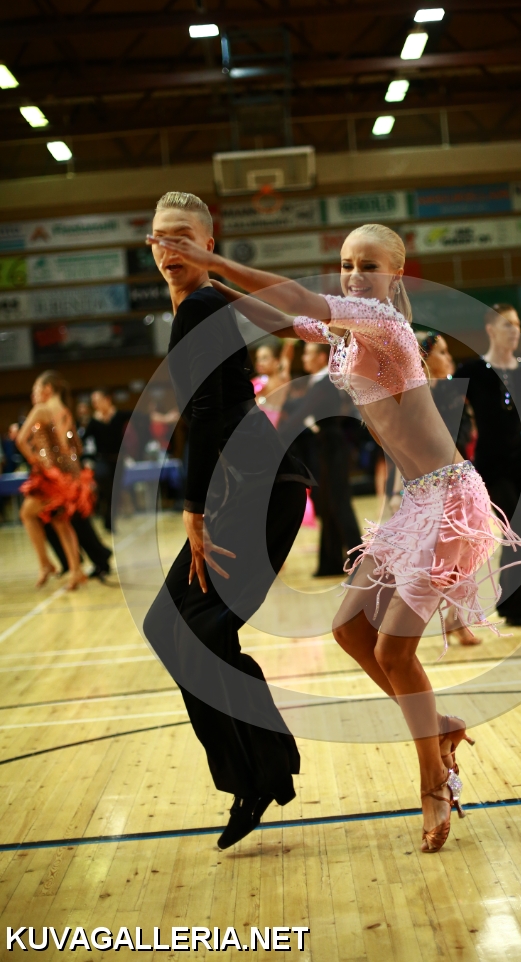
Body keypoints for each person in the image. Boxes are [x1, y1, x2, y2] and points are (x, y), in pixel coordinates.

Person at [148, 218, 521, 855]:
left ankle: (434, 779)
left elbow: (299, 298)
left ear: (395, 273)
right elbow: (283, 317)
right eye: (347, 264)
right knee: (350, 629)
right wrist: (213, 289)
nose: (354, 275)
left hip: (450, 500)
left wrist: (215, 264)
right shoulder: (347, 332)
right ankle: (440, 725)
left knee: (395, 653)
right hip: (417, 500)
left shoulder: (382, 322)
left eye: (368, 266)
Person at [143, 192, 308, 852]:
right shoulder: (198, 306)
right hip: (245, 488)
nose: (170, 249)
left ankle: (261, 772)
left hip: (258, 490)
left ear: (208, 245)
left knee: (196, 631)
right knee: (171, 627)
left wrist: (192, 511)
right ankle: (264, 766)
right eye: (160, 238)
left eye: (183, 237)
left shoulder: (203, 306)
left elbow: (210, 414)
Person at [456, 304, 521, 628]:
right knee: (519, 533)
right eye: (507, 324)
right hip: (490, 468)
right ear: (490, 329)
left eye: (517, 324)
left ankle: (511, 601)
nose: (515, 330)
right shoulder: (472, 371)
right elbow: (444, 403)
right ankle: (515, 607)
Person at [418, 332, 481, 647]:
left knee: (463, 555)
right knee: (434, 560)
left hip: (458, 485)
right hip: (429, 487)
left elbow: (465, 437)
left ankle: (456, 617)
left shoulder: (453, 392)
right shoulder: (417, 397)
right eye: (441, 352)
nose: (449, 358)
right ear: (425, 359)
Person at [279, 341, 362, 577]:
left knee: (339, 503)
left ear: (321, 357)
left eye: (308, 354)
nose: (304, 358)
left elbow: (301, 412)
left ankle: (360, 560)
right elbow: (297, 406)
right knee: (327, 504)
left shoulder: (325, 382)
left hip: (334, 447)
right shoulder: (318, 383)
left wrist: (277, 434)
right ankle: (331, 563)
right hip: (327, 447)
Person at [15, 371, 94, 590]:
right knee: (61, 522)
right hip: (71, 476)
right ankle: (76, 571)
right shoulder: (65, 411)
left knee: (27, 514)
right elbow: (77, 448)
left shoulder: (41, 410)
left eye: (36, 388)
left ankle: (45, 564)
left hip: (52, 477)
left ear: (47, 389)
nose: (33, 394)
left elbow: (21, 439)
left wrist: (36, 460)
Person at [83, 389, 131, 531]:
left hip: (118, 460)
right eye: (93, 402)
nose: (95, 404)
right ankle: (104, 515)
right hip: (102, 460)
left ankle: (109, 522)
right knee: (105, 487)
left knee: (115, 492)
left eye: (97, 401)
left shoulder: (119, 415)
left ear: (107, 399)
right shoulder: (93, 421)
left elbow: (141, 416)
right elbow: (84, 440)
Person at [251, 339, 294, 427]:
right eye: (258, 358)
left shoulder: (281, 380)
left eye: (264, 358)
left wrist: (289, 341)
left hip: (267, 430)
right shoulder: (258, 381)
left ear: (276, 361)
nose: (259, 362)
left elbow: (286, 358)